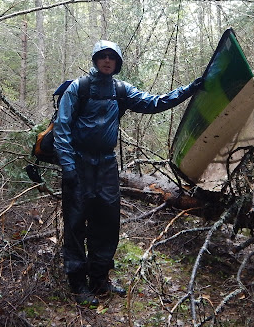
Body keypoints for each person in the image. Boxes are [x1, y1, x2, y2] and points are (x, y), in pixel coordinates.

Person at [53, 40, 203, 306]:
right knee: (75, 224)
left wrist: (189, 89)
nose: (107, 60)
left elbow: (155, 103)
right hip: (79, 164)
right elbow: (61, 128)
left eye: (112, 57)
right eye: (102, 56)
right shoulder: (78, 88)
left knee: (107, 223)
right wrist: (68, 167)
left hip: (107, 165)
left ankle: (100, 279)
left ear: (117, 63)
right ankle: (78, 285)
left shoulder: (122, 90)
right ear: (95, 60)